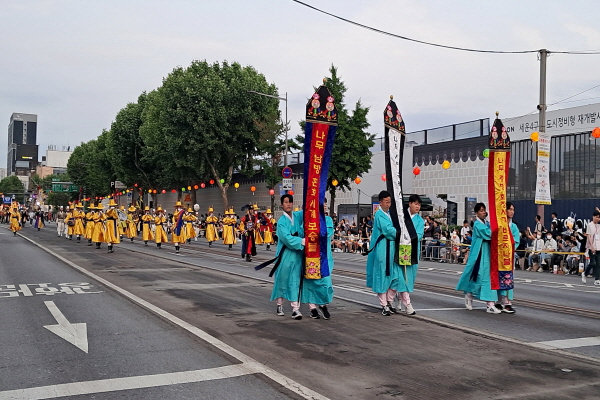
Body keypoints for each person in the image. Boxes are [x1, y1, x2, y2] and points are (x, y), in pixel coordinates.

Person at [455, 203, 502, 314]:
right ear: (476, 213)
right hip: (479, 255)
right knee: (477, 277)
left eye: (484, 210)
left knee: (487, 278)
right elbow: (489, 234)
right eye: (481, 210)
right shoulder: (477, 224)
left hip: (488, 254)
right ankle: (469, 295)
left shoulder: (487, 223)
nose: (483, 212)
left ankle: (490, 304)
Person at [269, 194, 305, 319]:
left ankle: (296, 309)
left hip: (297, 255)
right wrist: (300, 241)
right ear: (281, 205)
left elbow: (307, 212)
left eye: (290, 202)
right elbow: (286, 238)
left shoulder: (297, 216)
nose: (288, 204)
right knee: (282, 280)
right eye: (286, 202)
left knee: (295, 281)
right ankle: (280, 304)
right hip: (284, 255)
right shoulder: (281, 222)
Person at [366, 191, 401, 316]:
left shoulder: (389, 214)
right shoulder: (380, 215)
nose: (388, 204)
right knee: (382, 276)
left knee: (396, 277)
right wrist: (401, 232)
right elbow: (388, 230)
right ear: (380, 202)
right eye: (386, 202)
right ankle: (384, 304)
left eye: (389, 202)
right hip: (382, 248)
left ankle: (389, 300)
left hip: (392, 248)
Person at [301, 199, 334, 320]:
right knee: (310, 282)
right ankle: (312, 308)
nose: (324, 206)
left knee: (325, 282)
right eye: (321, 205)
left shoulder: (328, 220)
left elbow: (327, 235)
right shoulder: (308, 221)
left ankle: (323, 304)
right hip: (310, 256)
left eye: (325, 204)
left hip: (324, 257)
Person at [393, 194, 424, 316]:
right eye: (416, 204)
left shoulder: (420, 220)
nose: (418, 207)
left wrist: (409, 239)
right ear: (410, 203)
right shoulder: (401, 216)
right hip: (400, 248)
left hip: (411, 250)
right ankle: (406, 303)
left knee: (408, 276)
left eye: (419, 205)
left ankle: (400, 299)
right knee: (401, 276)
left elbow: (419, 235)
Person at [494, 202, 520, 314]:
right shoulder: (500, 225)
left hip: (508, 256)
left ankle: (507, 301)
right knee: (499, 277)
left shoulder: (514, 227)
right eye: (510, 209)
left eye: (513, 209)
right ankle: (500, 301)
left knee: (508, 278)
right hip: (499, 256)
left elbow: (517, 241)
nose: (512, 212)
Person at [584, 210, 600, 285]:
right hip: (592, 247)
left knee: (598, 263)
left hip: (599, 246)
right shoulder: (589, 225)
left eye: (599, 218)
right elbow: (589, 237)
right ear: (593, 217)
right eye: (596, 217)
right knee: (592, 263)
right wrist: (592, 247)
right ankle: (585, 273)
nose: (598, 219)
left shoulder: (598, 225)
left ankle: (597, 279)